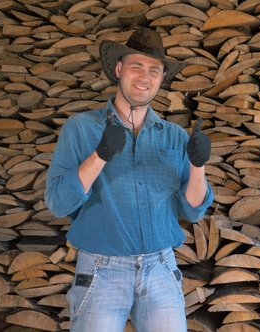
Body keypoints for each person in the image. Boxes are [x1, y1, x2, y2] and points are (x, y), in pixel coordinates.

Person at [45, 27, 214, 332]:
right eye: (137, 66)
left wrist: (198, 166)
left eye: (154, 70)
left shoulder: (174, 136)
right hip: (101, 271)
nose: (144, 77)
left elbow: (191, 210)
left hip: (161, 269)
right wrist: (100, 155)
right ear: (119, 69)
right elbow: (57, 202)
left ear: (161, 79)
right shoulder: (80, 128)